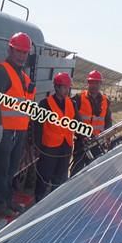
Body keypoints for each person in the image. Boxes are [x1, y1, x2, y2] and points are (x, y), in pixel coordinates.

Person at [0, 32, 36, 216]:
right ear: (10, 50)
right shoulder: (1, 71)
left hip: (19, 130)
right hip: (6, 130)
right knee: (2, 168)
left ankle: (8, 200)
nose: (21, 56)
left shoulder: (23, 76)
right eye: (18, 51)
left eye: (24, 52)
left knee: (11, 169)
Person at [33, 73, 77, 202]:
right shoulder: (45, 103)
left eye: (68, 87)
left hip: (66, 146)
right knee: (44, 175)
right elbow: (37, 126)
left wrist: (85, 136)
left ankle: (55, 201)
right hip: (49, 147)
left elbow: (77, 122)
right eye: (64, 87)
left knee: (60, 177)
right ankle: (39, 200)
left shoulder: (72, 103)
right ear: (57, 87)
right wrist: (37, 146)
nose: (67, 90)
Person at [70, 70, 113, 175]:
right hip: (82, 141)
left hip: (98, 141)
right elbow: (72, 119)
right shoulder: (78, 98)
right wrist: (80, 135)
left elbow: (108, 121)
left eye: (97, 83)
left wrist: (107, 136)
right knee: (77, 169)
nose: (94, 85)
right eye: (92, 82)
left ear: (100, 84)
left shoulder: (105, 101)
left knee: (95, 171)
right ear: (88, 83)